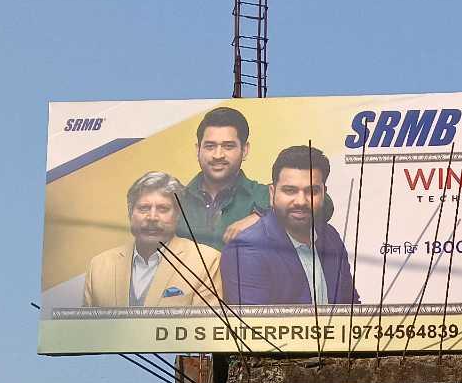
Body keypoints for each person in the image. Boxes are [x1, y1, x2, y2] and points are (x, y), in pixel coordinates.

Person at [222, 145, 359, 307]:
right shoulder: (246, 250)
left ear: (323, 193)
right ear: (272, 193)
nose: (301, 201)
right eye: (290, 190)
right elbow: (253, 322)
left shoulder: (330, 236)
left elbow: (352, 308)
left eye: (312, 191)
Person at [83, 173, 222, 308]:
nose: (152, 217)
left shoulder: (205, 261)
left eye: (163, 209)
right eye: (144, 208)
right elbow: (85, 324)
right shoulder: (99, 266)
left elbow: (204, 323)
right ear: (130, 213)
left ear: (178, 215)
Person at [177, 106, 272, 248]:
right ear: (198, 150)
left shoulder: (266, 196)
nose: (218, 155)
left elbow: (302, 214)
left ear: (245, 150)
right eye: (210, 146)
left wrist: (263, 218)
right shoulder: (176, 200)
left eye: (228, 146)